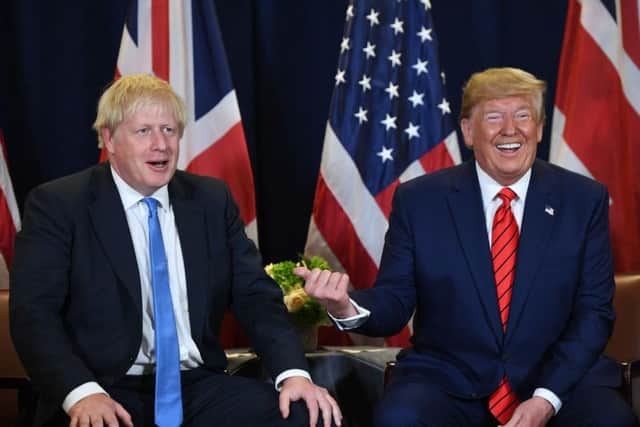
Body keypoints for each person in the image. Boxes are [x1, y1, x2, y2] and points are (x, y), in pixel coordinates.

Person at [297, 67, 638, 426]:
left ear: (539, 128)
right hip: (448, 380)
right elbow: (394, 301)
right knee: (399, 419)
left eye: (523, 115)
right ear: (468, 131)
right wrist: (346, 304)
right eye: (494, 117)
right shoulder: (420, 200)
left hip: (559, 381)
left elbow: (594, 313)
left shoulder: (583, 200)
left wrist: (546, 399)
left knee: (610, 422)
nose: (510, 129)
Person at [10, 74, 341, 427]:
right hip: (103, 386)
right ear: (109, 138)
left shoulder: (211, 200)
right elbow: (34, 316)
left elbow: (255, 297)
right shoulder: (60, 205)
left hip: (197, 386)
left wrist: (293, 375)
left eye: (169, 130)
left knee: (308, 415)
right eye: (144, 131)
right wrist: (82, 392)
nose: (161, 145)